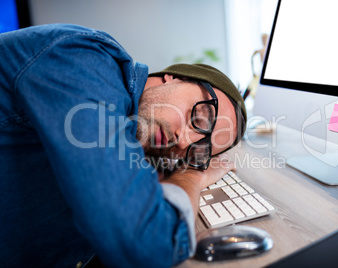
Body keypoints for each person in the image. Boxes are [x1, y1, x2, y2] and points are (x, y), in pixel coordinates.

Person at [0, 24, 247, 267]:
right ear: (175, 77)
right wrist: (191, 175)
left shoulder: (133, 133)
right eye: (198, 119)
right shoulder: (83, 61)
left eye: (198, 150)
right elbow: (148, 246)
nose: (183, 141)